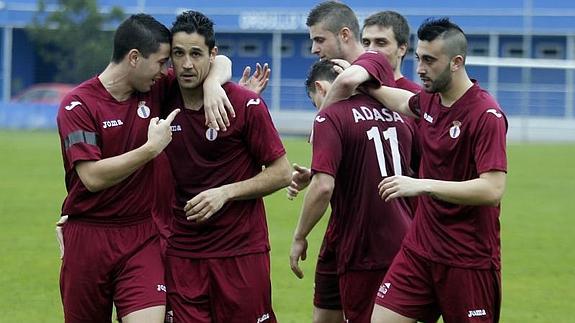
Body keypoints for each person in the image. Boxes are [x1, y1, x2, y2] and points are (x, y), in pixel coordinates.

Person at [56, 13, 233, 323]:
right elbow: (92, 177)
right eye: (162, 61)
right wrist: (150, 149)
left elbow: (221, 60)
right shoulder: (78, 105)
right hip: (88, 237)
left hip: (141, 235)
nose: (168, 70)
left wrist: (214, 85)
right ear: (135, 58)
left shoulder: (153, 89)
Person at [365, 18, 507, 323]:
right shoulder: (430, 99)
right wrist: (368, 85)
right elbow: (405, 101)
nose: (419, 69)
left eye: (429, 60)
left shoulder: (486, 114)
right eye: (418, 58)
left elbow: (492, 189)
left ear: (456, 62)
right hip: (420, 251)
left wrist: (423, 184)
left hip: (467, 259)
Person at [161, 10, 291, 323]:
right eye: (178, 54)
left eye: (196, 54)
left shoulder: (245, 104)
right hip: (181, 252)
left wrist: (225, 193)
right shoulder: (160, 96)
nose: (187, 64)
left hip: (241, 251)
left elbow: (282, 172)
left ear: (212, 54)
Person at [287, 2, 397, 323]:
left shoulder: (371, 61)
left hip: (372, 231)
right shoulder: (353, 101)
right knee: (325, 310)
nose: (313, 48)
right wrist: (322, 166)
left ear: (345, 34)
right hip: (343, 223)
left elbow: (347, 83)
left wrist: (319, 124)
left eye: (319, 40)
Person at [290, 58, 416, 323]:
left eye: (315, 102)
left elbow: (324, 187)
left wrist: (300, 235)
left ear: (321, 88)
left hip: (364, 246)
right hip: (405, 242)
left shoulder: (330, 116)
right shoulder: (399, 115)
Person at [362, 11, 421, 93]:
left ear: (401, 49)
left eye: (381, 43)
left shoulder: (417, 96)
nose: (370, 50)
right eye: (366, 43)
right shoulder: (353, 91)